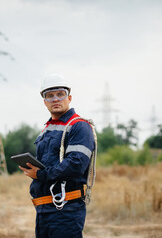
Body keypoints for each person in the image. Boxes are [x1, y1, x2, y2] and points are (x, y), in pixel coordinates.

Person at [19, 74, 95, 238]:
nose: (55, 99)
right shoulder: (48, 128)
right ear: (44, 101)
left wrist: (40, 174)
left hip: (66, 210)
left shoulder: (79, 126)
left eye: (60, 94)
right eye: (50, 95)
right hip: (44, 209)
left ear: (69, 98)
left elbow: (76, 164)